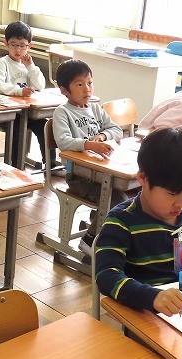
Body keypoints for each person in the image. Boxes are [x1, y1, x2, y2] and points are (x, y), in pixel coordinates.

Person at [95, 127, 182, 314]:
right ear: (143, 178)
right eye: (172, 193)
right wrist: (153, 297)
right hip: (144, 313)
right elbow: (107, 276)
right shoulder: (122, 222)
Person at [53, 59, 125, 256]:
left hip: (100, 171)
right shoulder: (62, 112)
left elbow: (116, 130)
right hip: (79, 177)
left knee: (131, 195)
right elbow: (64, 142)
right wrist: (88, 144)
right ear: (64, 90)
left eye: (90, 83)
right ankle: (89, 240)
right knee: (116, 198)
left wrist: (102, 136)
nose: (87, 89)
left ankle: (105, 228)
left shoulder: (95, 108)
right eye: (79, 84)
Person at [0, 21, 53, 167]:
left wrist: (30, 67)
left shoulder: (29, 65)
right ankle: (15, 164)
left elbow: (40, 85)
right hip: (7, 114)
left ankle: (51, 164)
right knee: (17, 126)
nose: (18, 49)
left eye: (22, 45)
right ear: (6, 44)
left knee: (44, 126)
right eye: (13, 44)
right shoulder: (3, 62)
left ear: (29, 46)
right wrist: (18, 91)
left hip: (27, 113)